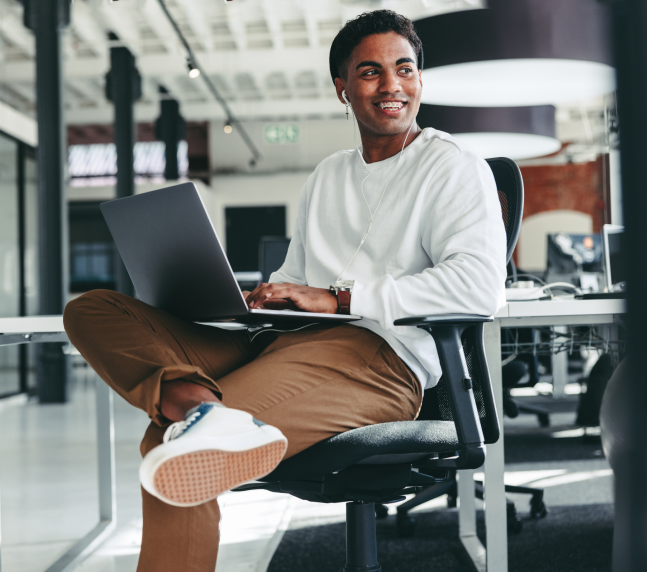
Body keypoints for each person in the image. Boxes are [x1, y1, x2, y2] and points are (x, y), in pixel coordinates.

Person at [63, 10, 505, 571]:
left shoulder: (453, 166)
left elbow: (480, 287)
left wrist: (341, 299)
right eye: (370, 72)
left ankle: (198, 417)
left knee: (170, 446)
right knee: (93, 309)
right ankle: (199, 406)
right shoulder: (327, 176)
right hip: (284, 344)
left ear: (420, 79)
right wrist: (265, 299)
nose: (392, 85)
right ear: (342, 89)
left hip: (378, 363)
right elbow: (299, 281)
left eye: (405, 68)